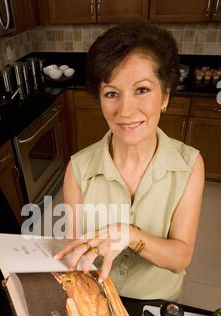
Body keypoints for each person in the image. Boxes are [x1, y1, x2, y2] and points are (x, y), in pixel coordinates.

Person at [55, 21, 205, 301]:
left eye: (142, 90)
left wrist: (131, 235)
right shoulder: (78, 168)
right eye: (112, 93)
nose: (125, 110)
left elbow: (180, 258)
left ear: (165, 96)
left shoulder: (190, 165)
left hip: (156, 303)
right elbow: (75, 249)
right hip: (97, 298)